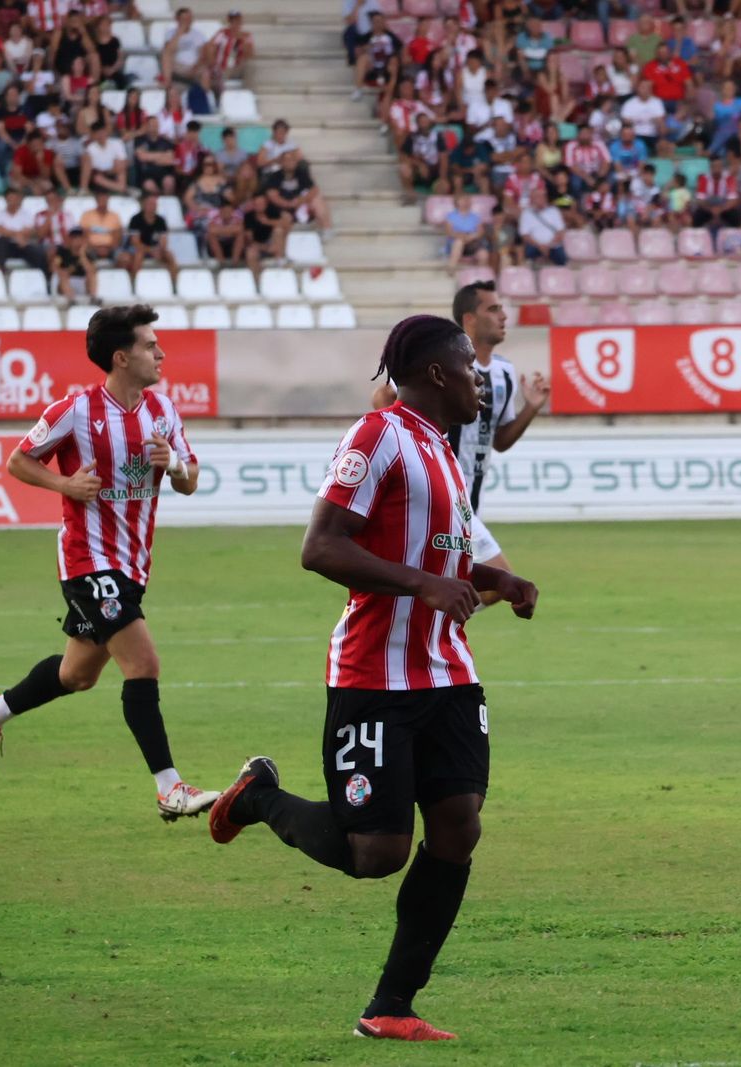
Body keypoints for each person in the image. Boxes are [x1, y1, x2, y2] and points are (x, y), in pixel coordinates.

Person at [205, 314, 540, 1042]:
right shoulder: (377, 436)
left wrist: (494, 580)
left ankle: (393, 1004)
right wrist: (423, 584)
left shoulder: (447, 453)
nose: (481, 378)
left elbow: (436, 557)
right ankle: (258, 797)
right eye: (468, 365)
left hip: (448, 674)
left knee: (459, 825)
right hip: (374, 676)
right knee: (377, 852)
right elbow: (320, 547)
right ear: (436, 375)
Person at [0, 305, 218, 823]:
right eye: (151, 346)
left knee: (77, 674)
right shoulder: (75, 410)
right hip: (87, 558)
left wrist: (171, 463)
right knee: (143, 664)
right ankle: (169, 789)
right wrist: (64, 485)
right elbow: (19, 460)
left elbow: (191, 478)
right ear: (121, 358)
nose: (161, 352)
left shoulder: (163, 411)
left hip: (133, 564)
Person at [372, 281, 550, 596]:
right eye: (493, 309)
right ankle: (426, 624)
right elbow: (384, 396)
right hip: (440, 497)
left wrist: (531, 408)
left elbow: (500, 440)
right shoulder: (441, 364)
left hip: (469, 498)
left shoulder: (505, 373)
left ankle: (425, 627)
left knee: (457, 581)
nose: (503, 316)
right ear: (469, 319)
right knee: (499, 580)